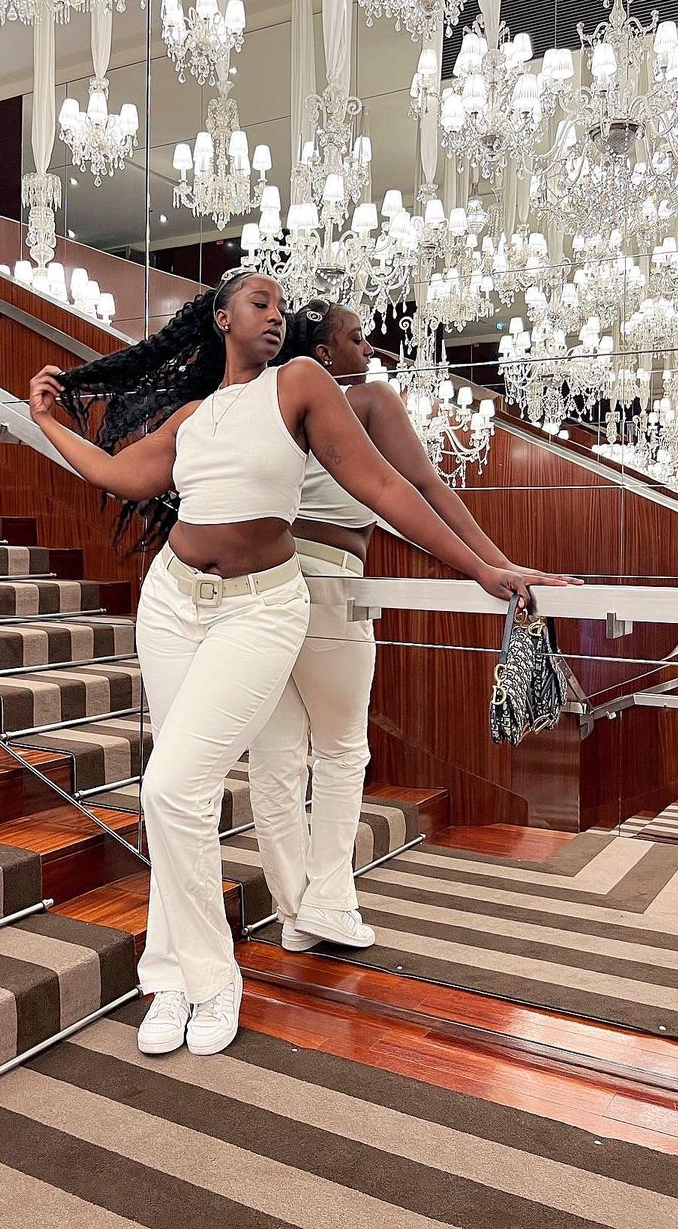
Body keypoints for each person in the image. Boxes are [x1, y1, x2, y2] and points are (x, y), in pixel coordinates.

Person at [28, 270, 569, 1059]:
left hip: (261, 607)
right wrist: (44, 420)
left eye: (283, 308)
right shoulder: (192, 417)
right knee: (179, 800)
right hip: (171, 603)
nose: (277, 316)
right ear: (221, 318)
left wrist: (483, 568)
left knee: (171, 787)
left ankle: (214, 979)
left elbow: (386, 484)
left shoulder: (301, 386)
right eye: (261, 303)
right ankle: (171, 976)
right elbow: (114, 473)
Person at [247, 299, 578, 955]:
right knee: (341, 750)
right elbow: (425, 487)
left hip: (263, 581)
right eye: (357, 338)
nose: (370, 350)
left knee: (277, 756)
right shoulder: (367, 399)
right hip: (330, 583)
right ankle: (329, 902)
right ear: (324, 354)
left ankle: (294, 913)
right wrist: (495, 565)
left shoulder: (270, 401)